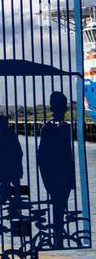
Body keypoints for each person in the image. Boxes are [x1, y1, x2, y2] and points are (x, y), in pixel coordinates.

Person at [37, 90, 75, 247]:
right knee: (58, 209)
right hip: (55, 177)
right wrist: (47, 180)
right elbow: (42, 158)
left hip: (64, 177)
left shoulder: (66, 128)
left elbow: (69, 156)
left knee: (60, 209)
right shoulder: (48, 129)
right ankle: (58, 240)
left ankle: (58, 238)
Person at [0, 116, 24, 207]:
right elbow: (19, 152)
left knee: (4, 182)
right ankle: (16, 199)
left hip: (4, 166)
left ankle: (5, 198)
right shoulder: (12, 135)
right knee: (14, 183)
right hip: (13, 165)